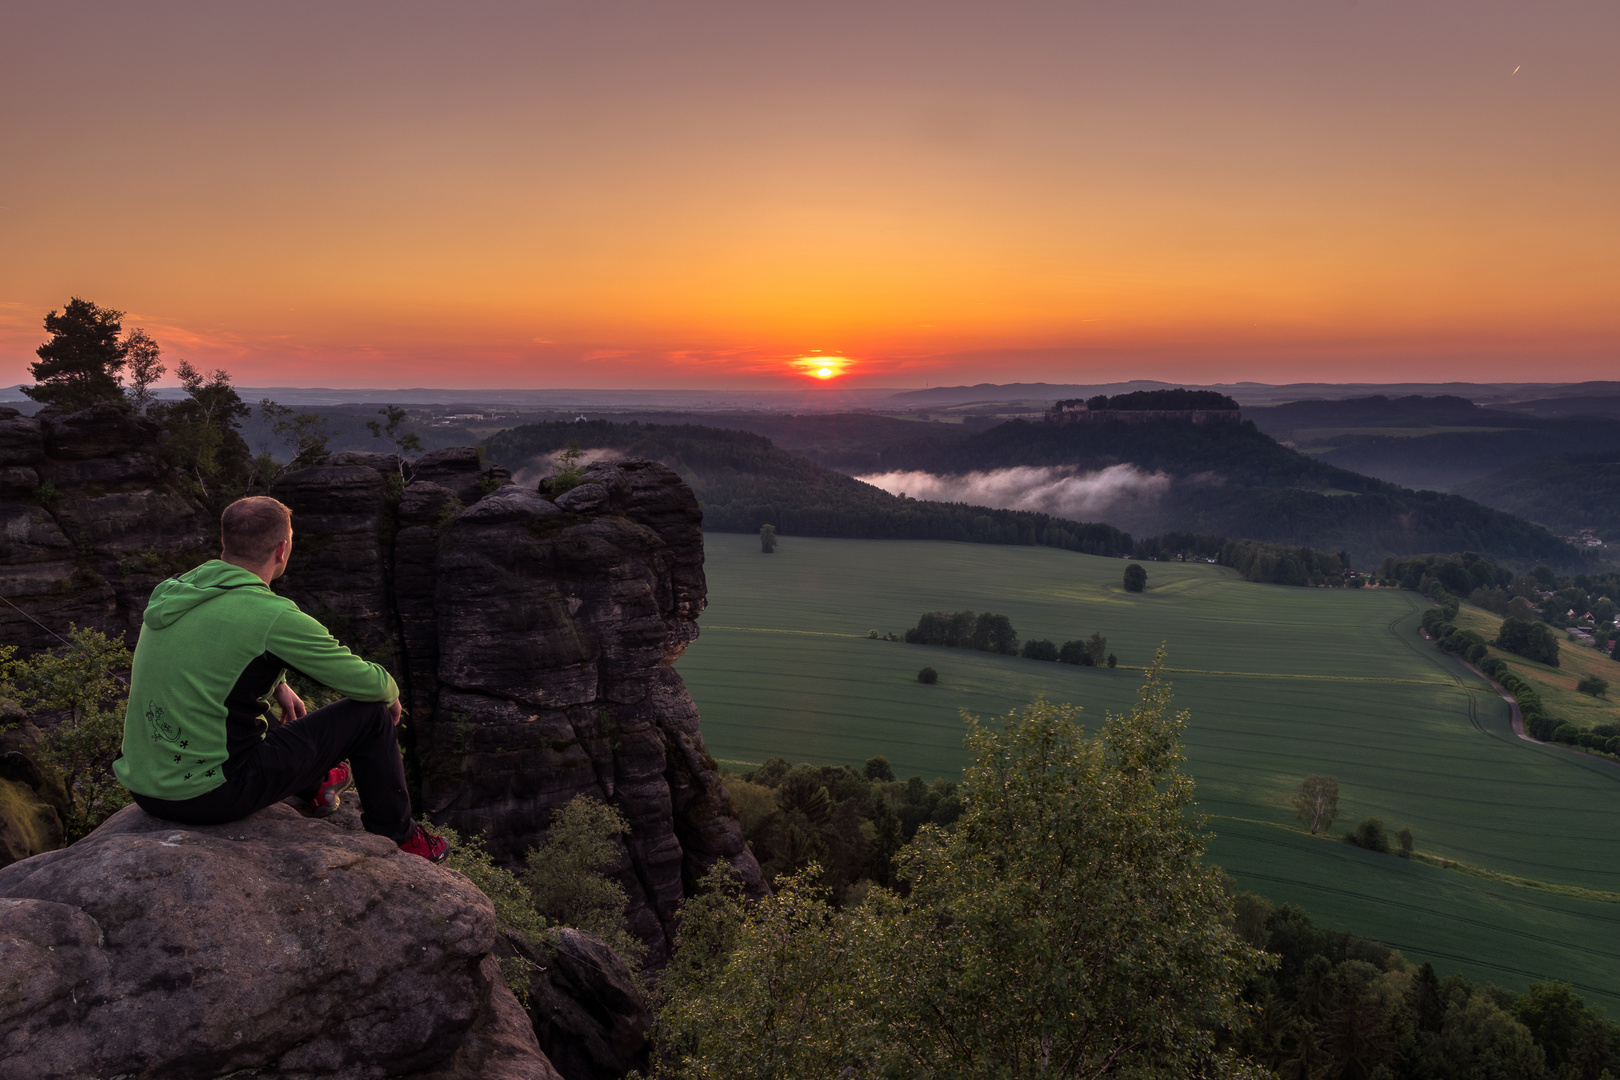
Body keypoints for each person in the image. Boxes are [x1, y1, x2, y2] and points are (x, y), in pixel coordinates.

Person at [113, 495, 446, 861]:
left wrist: (279, 685)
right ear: (282, 549)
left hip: (144, 787)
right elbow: (368, 684)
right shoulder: (271, 615)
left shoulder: (173, 590)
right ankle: (400, 836)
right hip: (207, 796)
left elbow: (217, 659)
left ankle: (315, 787)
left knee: (242, 705)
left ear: (225, 543)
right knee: (370, 716)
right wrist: (390, 691)